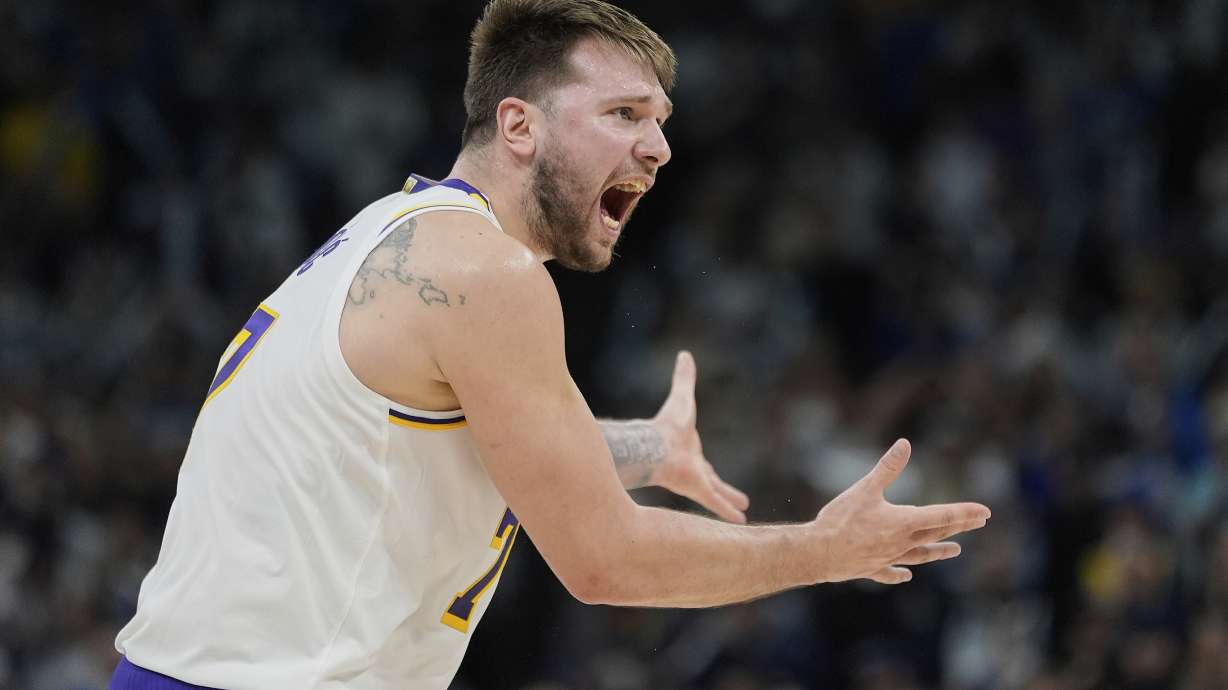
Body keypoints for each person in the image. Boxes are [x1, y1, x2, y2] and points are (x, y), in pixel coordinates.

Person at [109, 0, 991, 688]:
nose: (660, 147)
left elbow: (457, 449)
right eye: (624, 113)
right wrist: (824, 552)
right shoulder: (487, 274)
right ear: (520, 125)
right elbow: (603, 562)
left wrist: (652, 447)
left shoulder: (397, 232)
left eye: (663, 120)